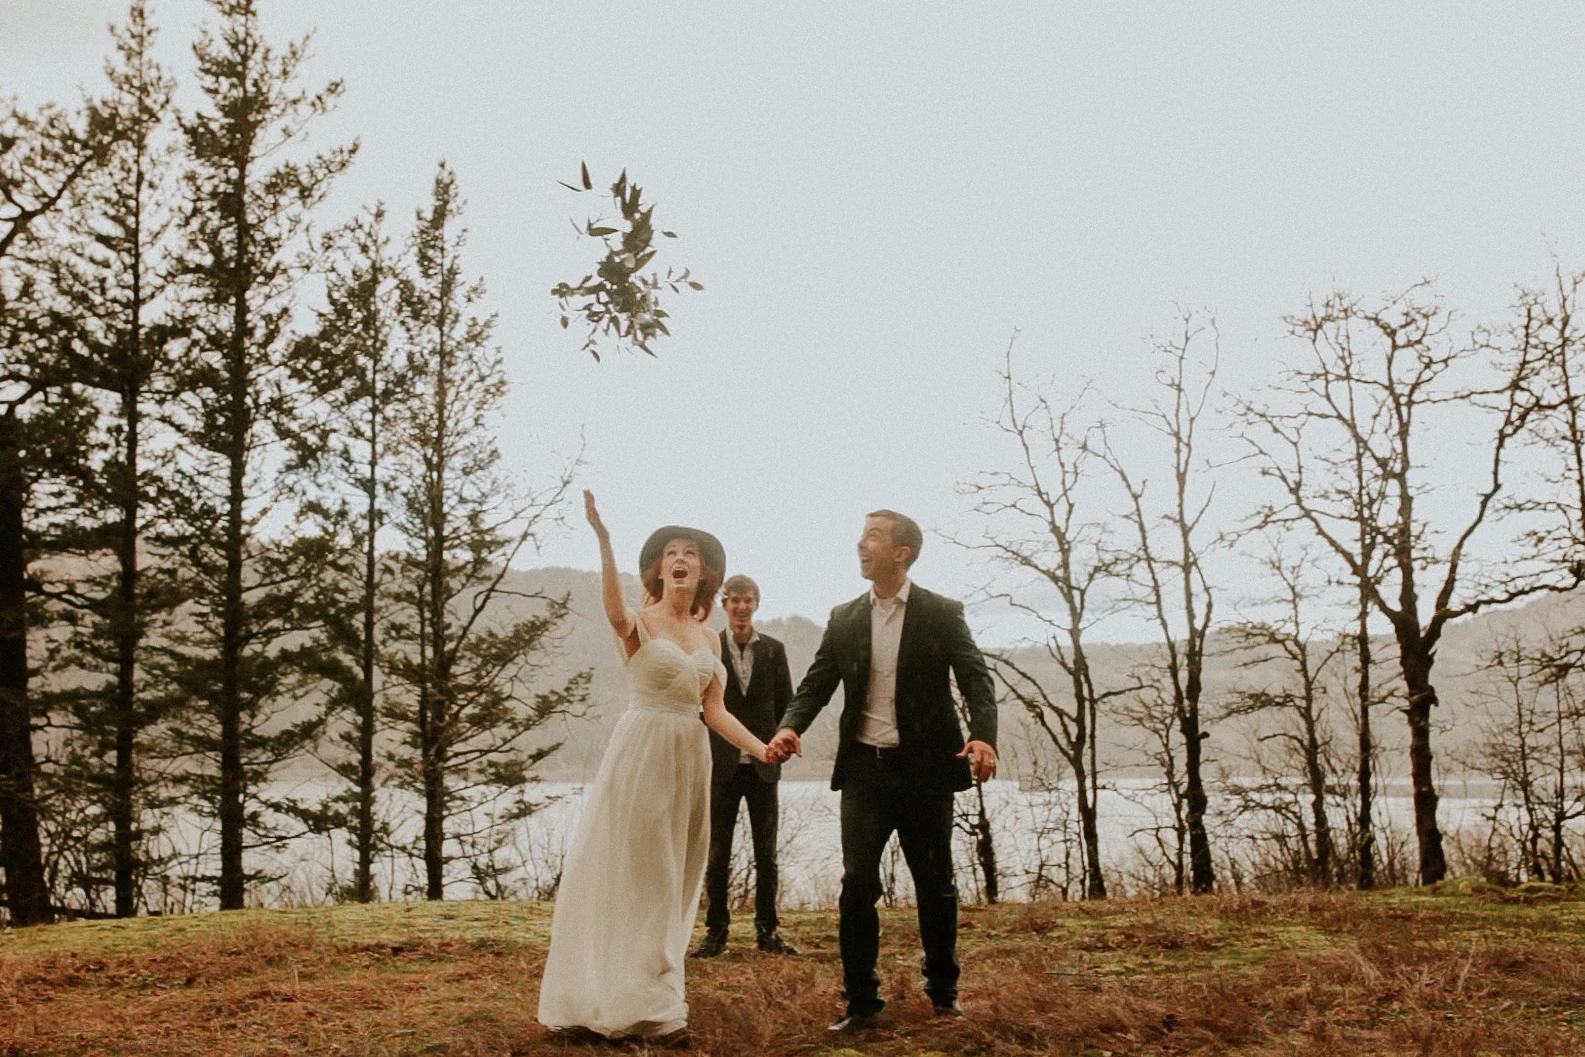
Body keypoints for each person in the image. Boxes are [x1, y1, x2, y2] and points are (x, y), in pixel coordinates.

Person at [536, 492, 771, 1044]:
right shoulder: (637, 621)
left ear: (703, 572)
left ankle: (650, 993)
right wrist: (604, 538)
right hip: (642, 752)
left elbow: (714, 711)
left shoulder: (710, 636)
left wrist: (763, 750)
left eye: (690, 552)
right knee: (644, 876)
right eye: (671, 551)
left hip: (689, 758)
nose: (680, 557)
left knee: (677, 877)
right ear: (660, 568)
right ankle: (636, 1007)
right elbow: (614, 612)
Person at [765, 509, 997, 1032]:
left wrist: (983, 736)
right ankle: (862, 1004)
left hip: (927, 772)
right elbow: (816, 684)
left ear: (902, 553)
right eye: (862, 534)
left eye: (873, 536)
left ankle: (943, 995)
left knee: (936, 884)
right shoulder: (845, 617)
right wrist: (789, 726)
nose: (860, 544)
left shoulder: (942, 613)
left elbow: (977, 682)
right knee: (856, 886)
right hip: (865, 773)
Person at [691, 574, 798, 958]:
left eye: (748, 600)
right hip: (719, 766)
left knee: (765, 853)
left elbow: (788, 704)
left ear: (757, 604)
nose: (740, 607)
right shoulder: (708, 646)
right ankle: (715, 932)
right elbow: (697, 705)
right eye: (734, 600)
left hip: (764, 766)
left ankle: (767, 931)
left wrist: (784, 739)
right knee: (717, 853)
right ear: (724, 603)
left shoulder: (774, 650)